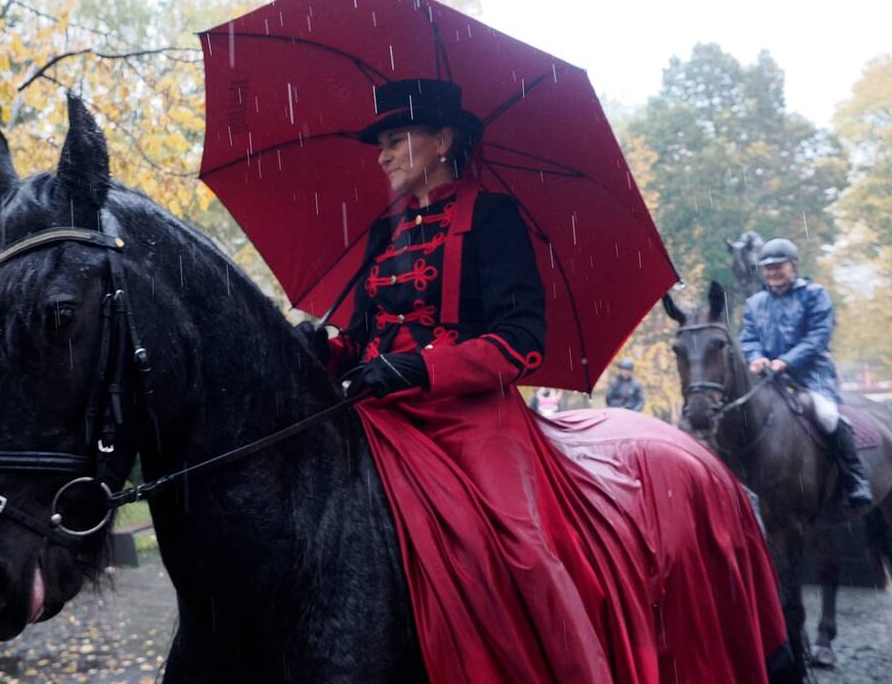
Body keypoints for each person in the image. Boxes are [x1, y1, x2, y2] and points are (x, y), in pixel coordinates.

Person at [296, 79, 785, 682]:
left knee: (523, 556)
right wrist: (320, 351)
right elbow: (364, 332)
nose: (382, 154)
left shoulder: (494, 217)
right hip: (377, 413)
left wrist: (424, 366)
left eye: (396, 139)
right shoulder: (383, 229)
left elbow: (521, 342)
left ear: (444, 140)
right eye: (380, 143)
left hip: (468, 416)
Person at [740, 237, 873, 508]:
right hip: (768, 379)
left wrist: (786, 361)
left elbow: (818, 336)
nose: (773, 272)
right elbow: (748, 338)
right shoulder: (755, 303)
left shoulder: (814, 294)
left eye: (779, 266)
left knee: (828, 415)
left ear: (793, 265)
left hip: (813, 375)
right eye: (768, 267)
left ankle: (855, 479)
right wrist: (756, 357)